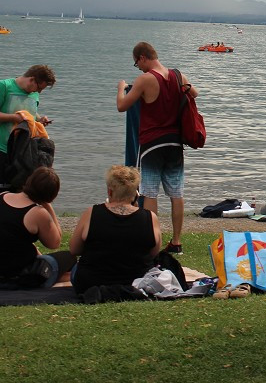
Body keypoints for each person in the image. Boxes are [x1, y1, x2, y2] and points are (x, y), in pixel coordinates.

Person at [0, 64, 56, 254]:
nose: (39, 92)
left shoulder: (34, 94)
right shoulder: (3, 87)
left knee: (23, 193)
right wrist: (13, 118)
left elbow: (29, 114)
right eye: (39, 88)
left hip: (24, 151)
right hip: (3, 149)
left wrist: (39, 119)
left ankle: (14, 237)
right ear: (32, 79)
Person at [116, 41, 197, 254]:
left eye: (137, 63)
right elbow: (194, 94)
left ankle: (154, 242)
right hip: (175, 142)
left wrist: (121, 89)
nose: (139, 68)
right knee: (176, 194)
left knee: (150, 194)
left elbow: (122, 106)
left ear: (143, 57)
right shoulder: (179, 76)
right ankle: (177, 242)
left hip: (152, 143)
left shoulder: (144, 79)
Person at [0, 167, 74, 289]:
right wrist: (48, 207)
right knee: (69, 258)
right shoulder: (38, 212)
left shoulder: (1, 196)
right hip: (10, 281)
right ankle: (70, 277)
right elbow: (55, 242)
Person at [69, 165, 161, 295]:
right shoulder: (150, 218)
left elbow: (74, 249)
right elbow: (153, 252)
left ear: (110, 191)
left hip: (92, 282)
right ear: (135, 194)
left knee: (75, 269)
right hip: (136, 282)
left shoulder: (91, 213)